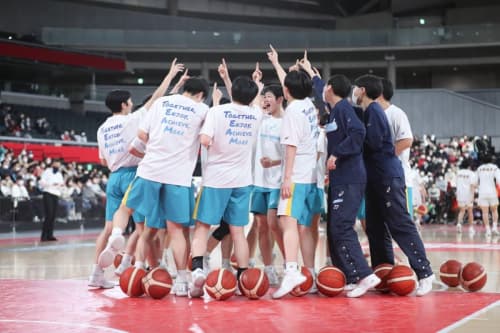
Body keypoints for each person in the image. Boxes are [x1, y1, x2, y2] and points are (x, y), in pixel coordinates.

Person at [100, 76, 209, 297]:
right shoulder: (202, 110)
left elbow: (141, 135)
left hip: (150, 169)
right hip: (178, 176)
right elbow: (207, 139)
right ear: (200, 95)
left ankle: (117, 235)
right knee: (177, 230)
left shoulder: (160, 103)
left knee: (125, 209)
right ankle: (181, 280)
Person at [88, 59, 184, 289]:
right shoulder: (132, 119)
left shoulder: (102, 128)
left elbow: (102, 159)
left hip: (113, 177)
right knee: (145, 231)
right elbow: (156, 99)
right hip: (133, 174)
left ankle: (96, 275)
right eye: (129, 101)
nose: (132, 103)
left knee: (109, 228)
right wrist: (171, 78)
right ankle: (153, 272)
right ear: (124, 104)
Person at [353, 74, 434, 296]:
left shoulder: (377, 112)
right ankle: (383, 271)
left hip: (387, 176)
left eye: (355, 89)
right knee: (376, 228)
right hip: (375, 178)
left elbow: (377, 144)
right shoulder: (368, 112)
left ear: (363, 90)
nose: (354, 92)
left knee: (400, 224)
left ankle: (425, 272)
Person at [190, 73, 263, 298]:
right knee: (238, 231)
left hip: (216, 179)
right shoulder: (256, 114)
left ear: (231, 92)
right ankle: (243, 278)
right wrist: (257, 84)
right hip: (242, 181)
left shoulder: (216, 111)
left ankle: (197, 270)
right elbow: (255, 101)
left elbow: (204, 140)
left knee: (202, 226)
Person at [267, 46, 319, 299]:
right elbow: (292, 87)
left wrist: (286, 178)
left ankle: (291, 271)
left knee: (286, 222)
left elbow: (290, 147)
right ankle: (310, 272)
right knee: (304, 228)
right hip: (311, 177)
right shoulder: (308, 104)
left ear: (286, 92)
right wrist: (280, 65)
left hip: (296, 176)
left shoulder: (292, 113)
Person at [321, 73, 379, 297]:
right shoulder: (334, 111)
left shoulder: (344, 109)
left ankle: (365, 275)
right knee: (334, 227)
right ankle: (351, 275)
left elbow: (358, 132)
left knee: (342, 226)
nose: (322, 89)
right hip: (340, 178)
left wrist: (337, 154)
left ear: (331, 88)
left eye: (325, 86)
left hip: (350, 177)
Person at [251, 84, 285, 286]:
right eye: (263, 97)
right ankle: (269, 268)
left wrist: (273, 162)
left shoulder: (286, 122)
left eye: (269, 96)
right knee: (261, 226)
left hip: (277, 181)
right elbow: (247, 100)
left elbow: (292, 155)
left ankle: (291, 266)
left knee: (274, 224)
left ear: (280, 99)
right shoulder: (260, 119)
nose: (264, 100)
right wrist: (258, 86)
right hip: (259, 181)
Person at [39, 159, 64, 242]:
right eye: (56, 163)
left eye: (59, 164)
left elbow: (61, 184)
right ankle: (44, 235)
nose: (57, 165)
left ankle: (50, 235)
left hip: (56, 194)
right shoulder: (47, 171)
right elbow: (42, 182)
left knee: (53, 215)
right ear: (53, 164)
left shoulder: (59, 174)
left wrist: (59, 185)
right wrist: (50, 185)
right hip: (48, 193)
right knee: (48, 215)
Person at [476, 156, 500, 236]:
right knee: (494, 210)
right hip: (492, 192)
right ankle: (494, 228)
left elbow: (475, 182)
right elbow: (499, 180)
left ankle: (488, 230)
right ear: (491, 160)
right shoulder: (495, 168)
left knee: (485, 212)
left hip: (482, 192)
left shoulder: (479, 168)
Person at [455, 159, 478, 235]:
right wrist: (472, 196)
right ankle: (471, 228)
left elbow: (455, 183)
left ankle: (458, 224)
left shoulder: (458, 173)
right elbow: (472, 185)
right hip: (468, 194)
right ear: (469, 166)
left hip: (460, 193)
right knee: (470, 211)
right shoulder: (471, 173)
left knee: (462, 211)